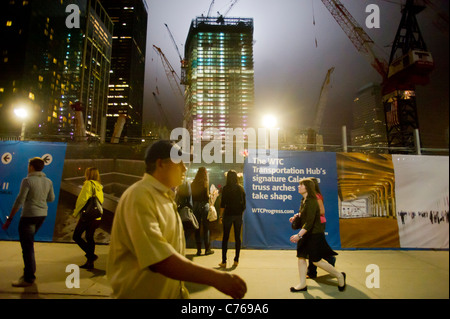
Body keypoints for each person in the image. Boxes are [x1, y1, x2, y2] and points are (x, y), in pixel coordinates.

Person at [107, 140, 247, 299]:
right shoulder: (139, 196)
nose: (184, 167)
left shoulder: (164, 198)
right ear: (160, 164)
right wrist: (216, 278)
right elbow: (159, 259)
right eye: (179, 162)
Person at [2, 157, 55, 287]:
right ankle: (29, 274)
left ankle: (28, 278)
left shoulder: (27, 181)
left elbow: (20, 200)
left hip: (29, 216)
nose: (27, 167)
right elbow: (51, 198)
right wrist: (39, 199)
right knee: (29, 244)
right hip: (42, 215)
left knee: (27, 248)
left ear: (31, 167)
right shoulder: (48, 181)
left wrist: (10, 218)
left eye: (28, 165)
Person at [289, 178, 346, 292]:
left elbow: (309, 223)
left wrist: (298, 236)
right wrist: (297, 217)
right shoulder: (303, 200)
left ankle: (339, 275)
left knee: (316, 261)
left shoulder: (312, 201)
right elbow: (305, 216)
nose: (298, 186)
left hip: (314, 234)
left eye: (301, 185)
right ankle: (302, 284)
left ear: (307, 188)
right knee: (301, 257)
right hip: (306, 233)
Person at [72, 167, 104, 270]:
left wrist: (75, 212)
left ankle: (91, 256)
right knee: (89, 237)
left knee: (76, 236)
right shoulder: (99, 186)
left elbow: (82, 200)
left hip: (87, 216)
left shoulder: (88, 184)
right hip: (96, 216)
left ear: (88, 174)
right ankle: (90, 263)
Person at [306, 177, 336, 279]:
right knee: (313, 248)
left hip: (318, 224)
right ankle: (313, 270)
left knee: (313, 248)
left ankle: (313, 272)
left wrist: (310, 214)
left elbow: (322, 211)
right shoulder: (311, 196)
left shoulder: (316, 196)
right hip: (314, 224)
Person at [219, 170, 246, 268]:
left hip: (228, 215)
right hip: (238, 215)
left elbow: (223, 204)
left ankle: (224, 261)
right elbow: (244, 204)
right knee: (237, 237)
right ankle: (236, 260)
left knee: (225, 238)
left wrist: (221, 216)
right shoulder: (240, 189)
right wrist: (240, 213)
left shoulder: (225, 189)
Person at [191, 167, 213, 256]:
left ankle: (199, 250)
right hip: (204, 206)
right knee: (206, 228)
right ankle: (207, 249)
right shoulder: (205, 183)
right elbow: (206, 197)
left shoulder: (193, 184)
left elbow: (192, 196)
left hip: (195, 206)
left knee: (197, 227)